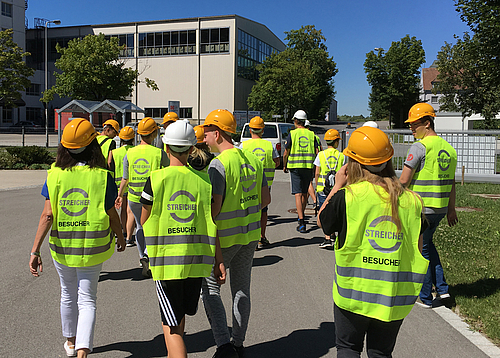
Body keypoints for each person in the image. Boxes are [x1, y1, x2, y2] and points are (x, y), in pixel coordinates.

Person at [318, 126, 429, 358]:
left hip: (353, 295)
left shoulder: (348, 196)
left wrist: (338, 184)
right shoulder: (413, 201)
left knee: (348, 348)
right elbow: (417, 249)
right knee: (381, 353)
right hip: (393, 296)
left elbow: (323, 221)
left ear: (353, 163)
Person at [29, 118, 126, 358]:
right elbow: (111, 213)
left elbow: (47, 216)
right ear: (93, 144)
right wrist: (120, 234)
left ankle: (71, 343)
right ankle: (83, 350)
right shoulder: (102, 176)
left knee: (67, 293)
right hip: (94, 247)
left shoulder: (54, 175)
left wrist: (35, 250)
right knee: (87, 299)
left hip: (62, 247)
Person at [140, 120, 226, 358]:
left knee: (170, 328)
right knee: (179, 319)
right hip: (196, 265)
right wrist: (218, 260)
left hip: (166, 265)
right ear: (191, 149)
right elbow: (212, 223)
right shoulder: (204, 181)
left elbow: (145, 220)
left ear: (166, 148)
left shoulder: (156, 179)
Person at [201, 109, 271, 358]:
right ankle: (238, 344)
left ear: (217, 133)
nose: (204, 137)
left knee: (210, 288)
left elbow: (214, 209)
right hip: (250, 236)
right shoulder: (253, 159)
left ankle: (223, 345)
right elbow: (265, 199)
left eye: (206, 132)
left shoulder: (218, 165)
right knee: (241, 290)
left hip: (224, 240)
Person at [399, 102, 458, 308]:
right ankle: (442, 290)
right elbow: (451, 183)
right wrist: (451, 209)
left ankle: (425, 297)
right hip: (440, 209)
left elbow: (404, 180)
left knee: (421, 251)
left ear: (427, 122)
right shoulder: (449, 149)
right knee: (428, 246)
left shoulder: (420, 147)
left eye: (414, 124)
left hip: (421, 209)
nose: (411, 128)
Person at [116, 117, 169, 277]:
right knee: (153, 227)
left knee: (140, 226)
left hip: (133, 196)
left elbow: (125, 178)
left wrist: (120, 195)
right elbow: (167, 174)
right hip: (153, 197)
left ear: (139, 134)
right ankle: (149, 254)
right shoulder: (159, 154)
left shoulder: (130, 153)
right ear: (154, 133)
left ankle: (141, 256)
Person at [241, 116, 280, 248]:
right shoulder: (270, 145)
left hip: (247, 184)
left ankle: (249, 237)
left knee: (248, 211)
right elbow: (277, 162)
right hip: (265, 185)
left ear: (250, 130)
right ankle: (261, 237)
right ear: (262, 130)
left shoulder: (243, 146)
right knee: (263, 211)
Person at [283, 109, 319, 233]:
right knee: (304, 194)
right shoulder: (311, 134)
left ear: (296, 121)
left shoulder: (292, 134)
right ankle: (301, 216)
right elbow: (317, 152)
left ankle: (301, 221)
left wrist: (284, 165)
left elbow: (286, 152)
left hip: (295, 167)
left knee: (298, 194)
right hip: (308, 167)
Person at [314, 129, 344, 248]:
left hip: (322, 188)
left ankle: (327, 238)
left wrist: (317, 186)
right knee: (336, 211)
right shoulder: (341, 156)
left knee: (325, 210)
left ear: (326, 142)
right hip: (337, 188)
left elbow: (317, 172)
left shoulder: (321, 155)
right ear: (336, 142)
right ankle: (334, 235)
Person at [109, 126, 136, 247]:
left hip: (117, 184)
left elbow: (109, 163)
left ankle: (120, 231)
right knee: (129, 210)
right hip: (131, 183)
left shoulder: (114, 152)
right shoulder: (135, 150)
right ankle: (128, 233)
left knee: (119, 210)